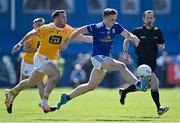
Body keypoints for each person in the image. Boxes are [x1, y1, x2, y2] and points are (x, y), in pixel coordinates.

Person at [56, 8, 149, 110]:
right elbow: (78, 31)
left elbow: (127, 34)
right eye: (111, 19)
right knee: (121, 66)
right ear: (105, 18)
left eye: (115, 19)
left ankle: (66, 97)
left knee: (90, 86)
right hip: (97, 58)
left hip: (104, 59)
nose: (113, 22)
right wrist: (67, 43)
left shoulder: (116, 26)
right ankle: (138, 84)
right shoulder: (97, 27)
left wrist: (134, 37)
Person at [5, 9, 93, 113]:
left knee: (31, 82)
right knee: (57, 74)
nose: (65, 18)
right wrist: (19, 44)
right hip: (40, 57)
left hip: (48, 59)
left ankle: (11, 92)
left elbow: (84, 38)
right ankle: (44, 101)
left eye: (65, 16)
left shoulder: (68, 29)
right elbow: (31, 34)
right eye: (62, 17)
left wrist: (100, 39)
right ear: (55, 19)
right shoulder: (47, 28)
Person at [121, 10, 169, 116]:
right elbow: (127, 40)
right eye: (147, 18)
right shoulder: (138, 31)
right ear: (143, 19)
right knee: (155, 82)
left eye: (151, 18)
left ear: (154, 19)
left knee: (143, 87)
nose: (149, 20)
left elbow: (162, 45)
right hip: (142, 63)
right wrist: (125, 52)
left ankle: (124, 91)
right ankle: (159, 108)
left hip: (153, 62)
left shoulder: (157, 31)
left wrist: (161, 47)